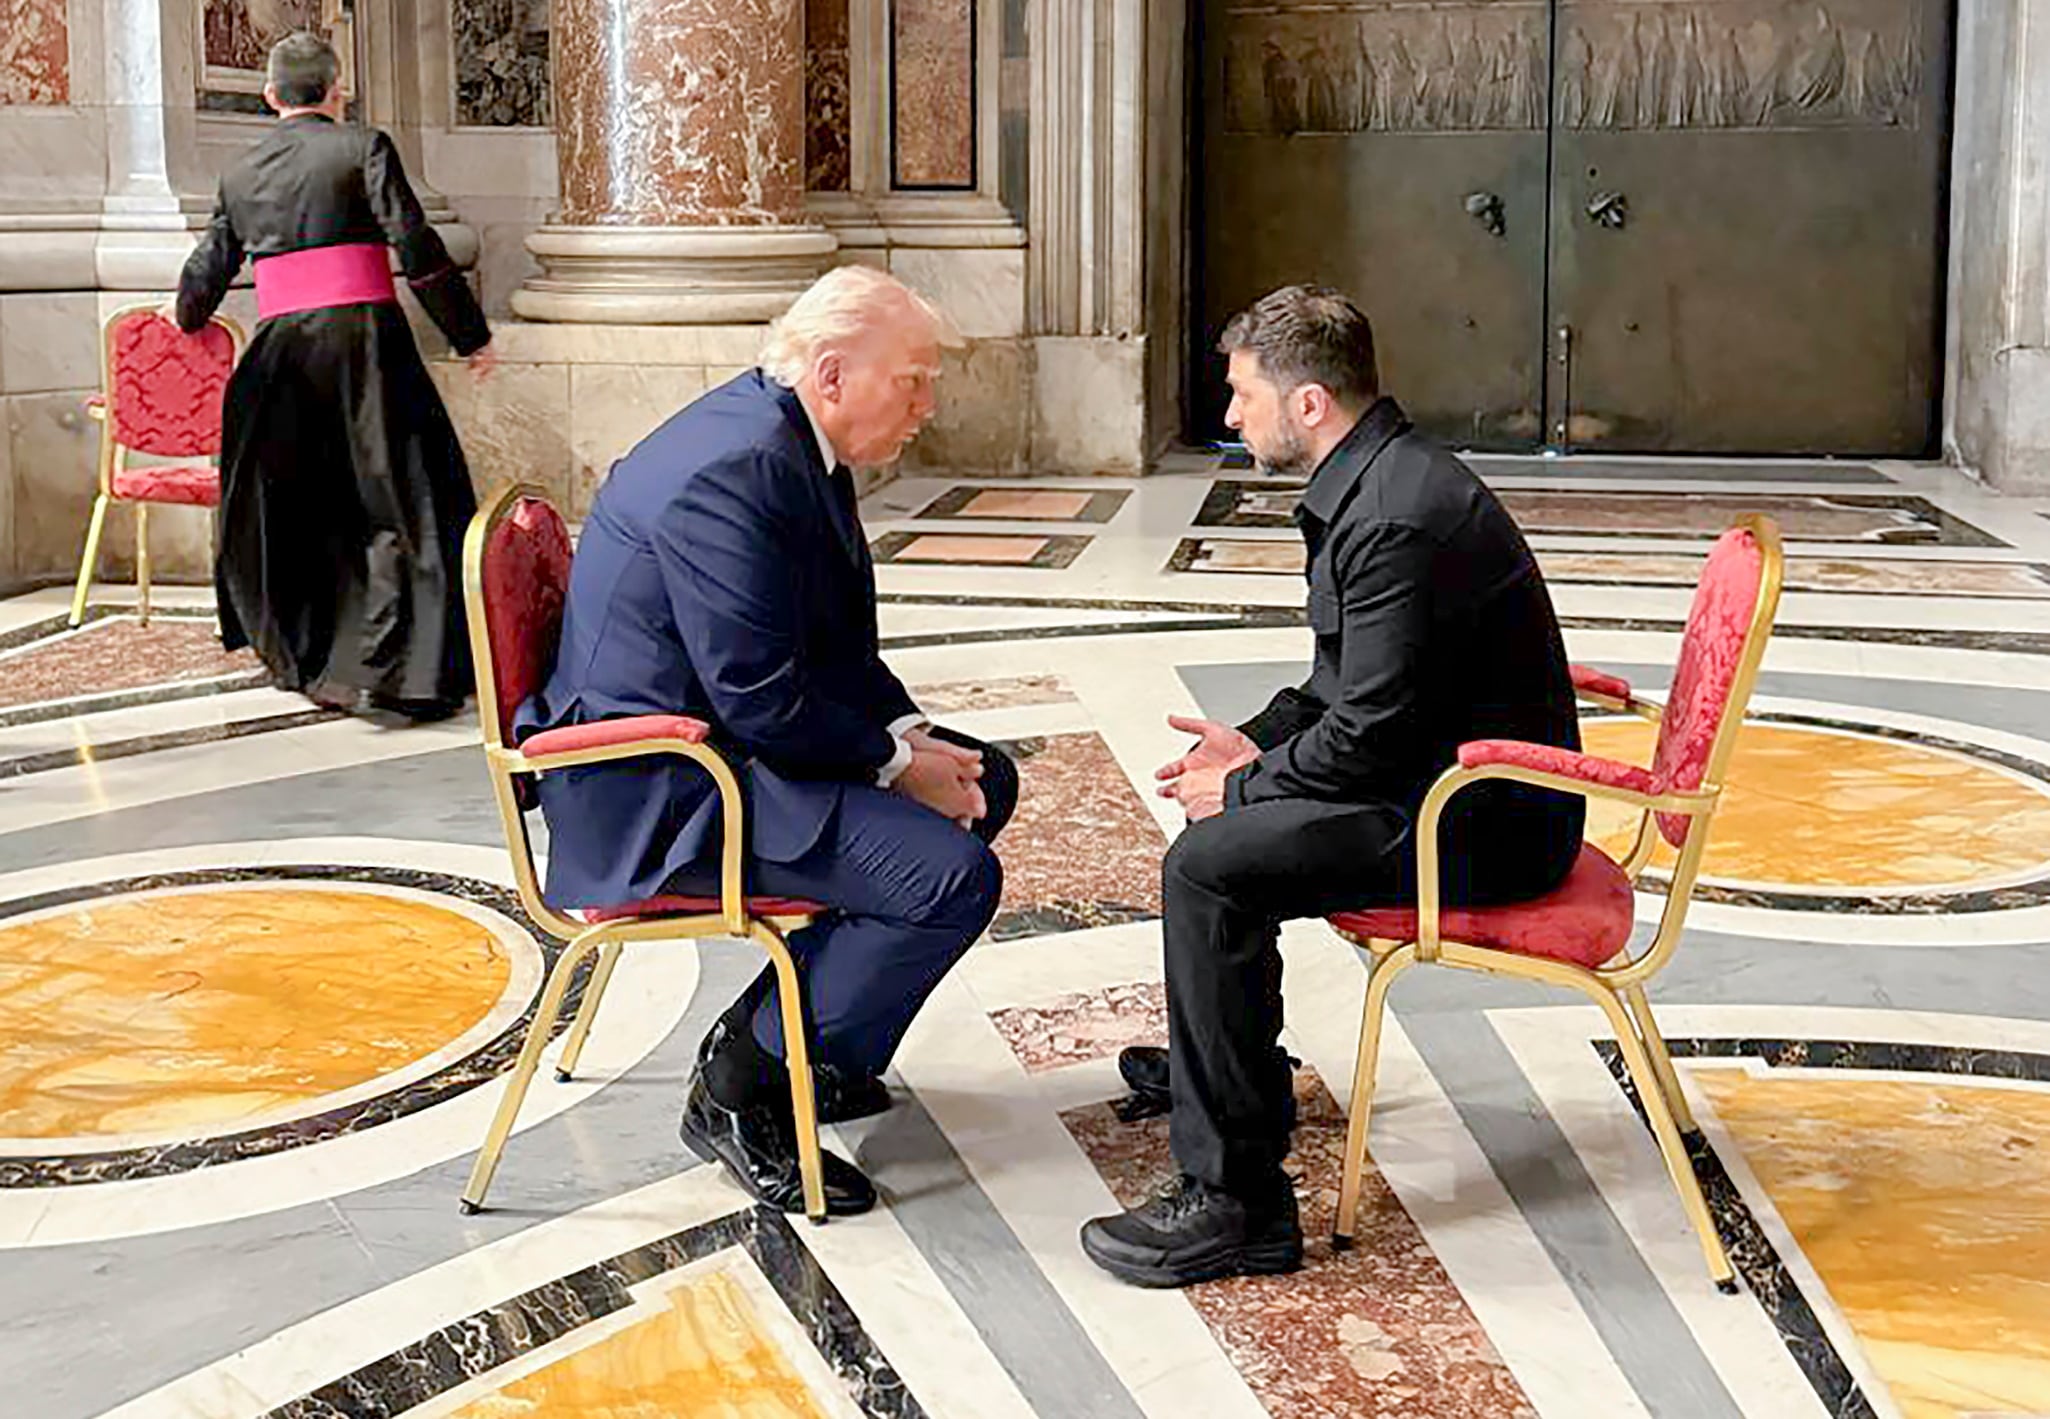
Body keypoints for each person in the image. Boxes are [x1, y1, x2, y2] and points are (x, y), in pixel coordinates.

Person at [1080, 286, 1586, 1287]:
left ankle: (1238, 1204)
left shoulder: (1395, 516)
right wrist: (1252, 745)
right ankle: (1231, 1079)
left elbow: (1372, 730)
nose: (1230, 417)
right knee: (1224, 845)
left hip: (1482, 819)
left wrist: (1249, 787)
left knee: (1211, 867)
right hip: (1436, 780)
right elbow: (1340, 688)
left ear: (1307, 403)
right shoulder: (1380, 484)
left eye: (1242, 395)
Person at [516, 266, 1017, 1217]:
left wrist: (908, 734)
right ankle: (743, 1081)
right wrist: (898, 766)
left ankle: (821, 1039)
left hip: (724, 740)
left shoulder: (786, 438)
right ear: (831, 373)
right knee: (949, 880)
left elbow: (824, 644)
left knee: (990, 780)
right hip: (660, 785)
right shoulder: (736, 469)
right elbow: (759, 692)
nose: (929, 401)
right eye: (912, 378)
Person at [175, 32, 494, 720]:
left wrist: (187, 317)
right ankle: (406, 669)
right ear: (337, 88)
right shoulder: (363, 146)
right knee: (405, 500)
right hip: (366, 345)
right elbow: (415, 243)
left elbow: (206, 269)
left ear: (269, 96)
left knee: (303, 509)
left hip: (281, 353)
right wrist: (470, 334)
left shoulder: (238, 173)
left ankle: (316, 660)